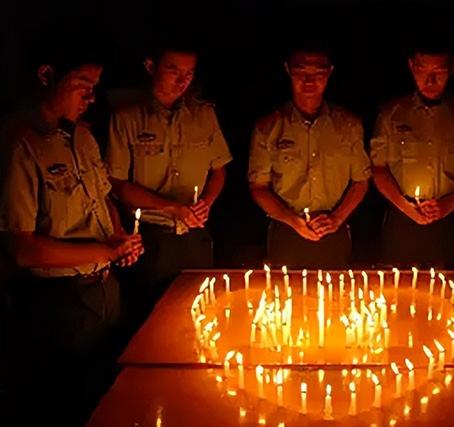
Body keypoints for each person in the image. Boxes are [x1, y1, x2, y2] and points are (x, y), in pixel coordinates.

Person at [0, 49, 143, 425]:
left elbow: (103, 198)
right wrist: (106, 251)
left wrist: (118, 236)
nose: (92, 97)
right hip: (59, 306)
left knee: (113, 399)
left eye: (95, 87)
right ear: (46, 74)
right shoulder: (20, 147)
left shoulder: (82, 137)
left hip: (105, 293)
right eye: (83, 85)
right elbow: (24, 250)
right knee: (71, 404)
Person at [106, 45, 232, 315]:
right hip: (149, 240)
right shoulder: (126, 118)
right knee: (149, 317)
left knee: (199, 315)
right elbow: (117, 183)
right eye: (173, 70)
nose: (182, 80)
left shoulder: (204, 115)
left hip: (194, 238)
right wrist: (171, 207)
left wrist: (206, 203)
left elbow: (219, 170)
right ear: (151, 67)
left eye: (189, 73)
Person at [248, 47, 370, 268]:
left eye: (318, 73)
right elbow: (258, 187)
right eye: (301, 71)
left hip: (334, 231)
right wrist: (292, 221)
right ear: (288, 70)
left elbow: (360, 181)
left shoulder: (349, 125)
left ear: (330, 72)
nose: (309, 80)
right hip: (286, 232)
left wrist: (336, 219)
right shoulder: (268, 127)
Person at [371, 45, 454, 268]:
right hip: (401, 220)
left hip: (449, 224)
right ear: (411, 67)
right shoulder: (391, 114)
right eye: (422, 70)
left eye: (439, 72)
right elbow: (378, 169)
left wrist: (448, 204)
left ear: (452, 68)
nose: (430, 80)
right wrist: (406, 207)